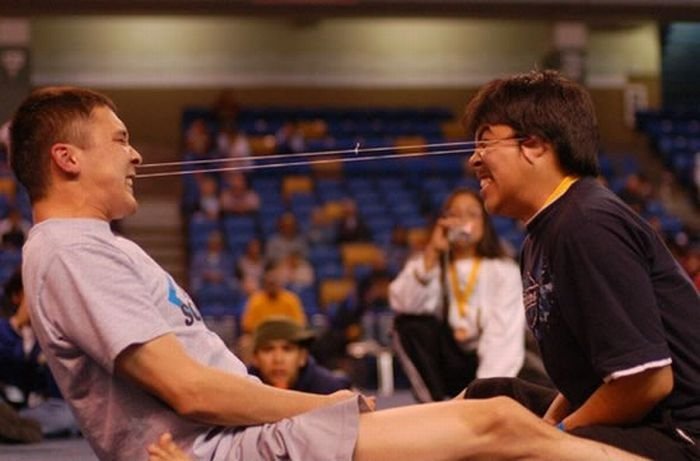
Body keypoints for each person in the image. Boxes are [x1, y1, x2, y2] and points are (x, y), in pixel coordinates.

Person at [10, 86, 646, 461]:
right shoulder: (71, 251)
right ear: (67, 158)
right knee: (497, 423)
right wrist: (326, 403)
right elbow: (193, 393)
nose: (137, 153)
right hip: (223, 450)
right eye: (120, 139)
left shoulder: (90, 246)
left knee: (494, 414)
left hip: (238, 439)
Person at [463, 70, 700, 460]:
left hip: (681, 436)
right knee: (490, 397)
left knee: (507, 444)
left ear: (534, 144)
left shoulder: (586, 223)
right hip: (643, 421)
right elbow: (587, 386)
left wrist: (549, 439)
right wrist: (546, 429)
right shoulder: (543, 235)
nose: (474, 159)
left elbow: (645, 381)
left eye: (486, 142)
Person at [389, 188, 528, 402]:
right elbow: (403, 304)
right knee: (407, 324)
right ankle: (434, 406)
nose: (463, 221)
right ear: (443, 222)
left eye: (472, 214)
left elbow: (501, 337)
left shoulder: (503, 270)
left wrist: (481, 399)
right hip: (447, 361)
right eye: (455, 214)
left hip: (490, 364)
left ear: (485, 224)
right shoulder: (430, 264)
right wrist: (432, 252)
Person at [248, 317, 351, 393]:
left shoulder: (329, 390)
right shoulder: (244, 387)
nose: (278, 359)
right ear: (255, 358)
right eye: (268, 350)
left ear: (302, 357)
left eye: (287, 349)